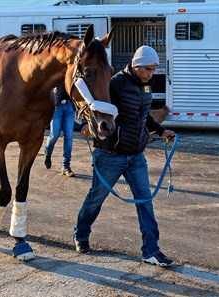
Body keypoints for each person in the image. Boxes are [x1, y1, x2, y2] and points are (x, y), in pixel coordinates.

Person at [73, 45, 176, 267]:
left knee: (145, 201)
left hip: (136, 155)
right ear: (136, 65)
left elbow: (142, 116)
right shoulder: (116, 83)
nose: (151, 74)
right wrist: (90, 128)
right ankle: (81, 235)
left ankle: (151, 251)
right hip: (111, 154)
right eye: (147, 69)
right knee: (96, 198)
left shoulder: (146, 85)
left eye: (154, 70)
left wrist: (161, 130)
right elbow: (97, 108)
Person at [44, 84, 76, 177]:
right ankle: (48, 153)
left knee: (69, 136)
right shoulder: (59, 70)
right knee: (55, 134)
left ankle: (66, 166)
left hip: (70, 106)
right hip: (57, 106)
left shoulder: (75, 72)